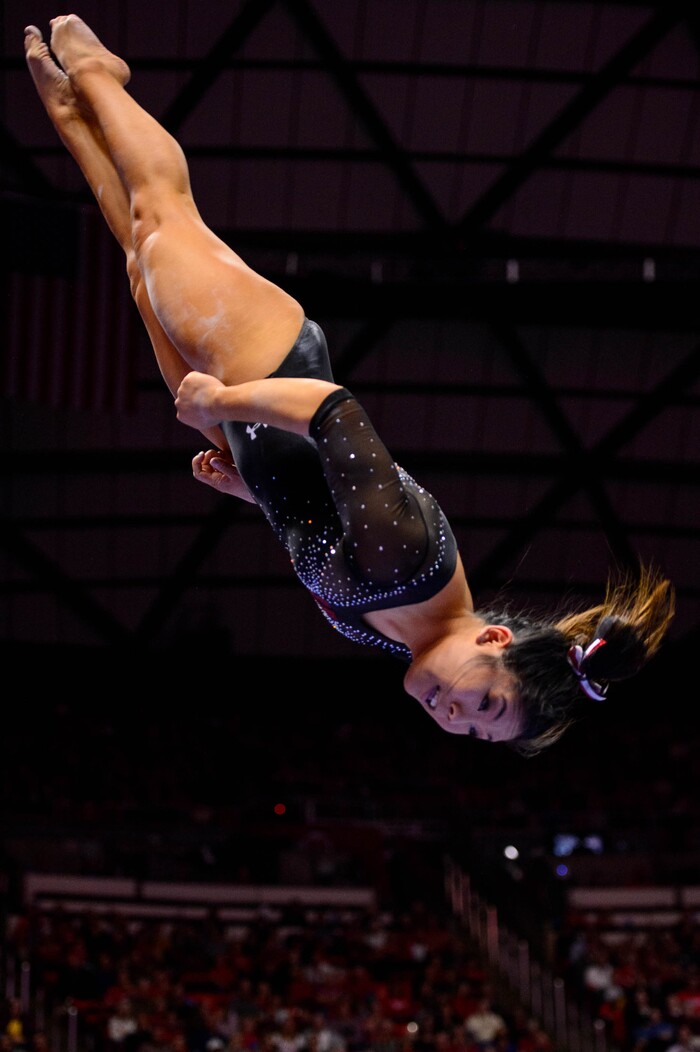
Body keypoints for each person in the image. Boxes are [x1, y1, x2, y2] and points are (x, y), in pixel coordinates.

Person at [24, 15, 675, 755]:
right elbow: (335, 412)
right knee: (161, 215)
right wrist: (222, 403)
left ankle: (73, 115)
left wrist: (250, 489)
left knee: (139, 259)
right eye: (484, 704)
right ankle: (101, 75)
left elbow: (318, 520)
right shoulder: (411, 564)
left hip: (249, 429)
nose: (454, 719)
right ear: (494, 638)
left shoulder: (404, 637)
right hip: (269, 367)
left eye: (473, 731)